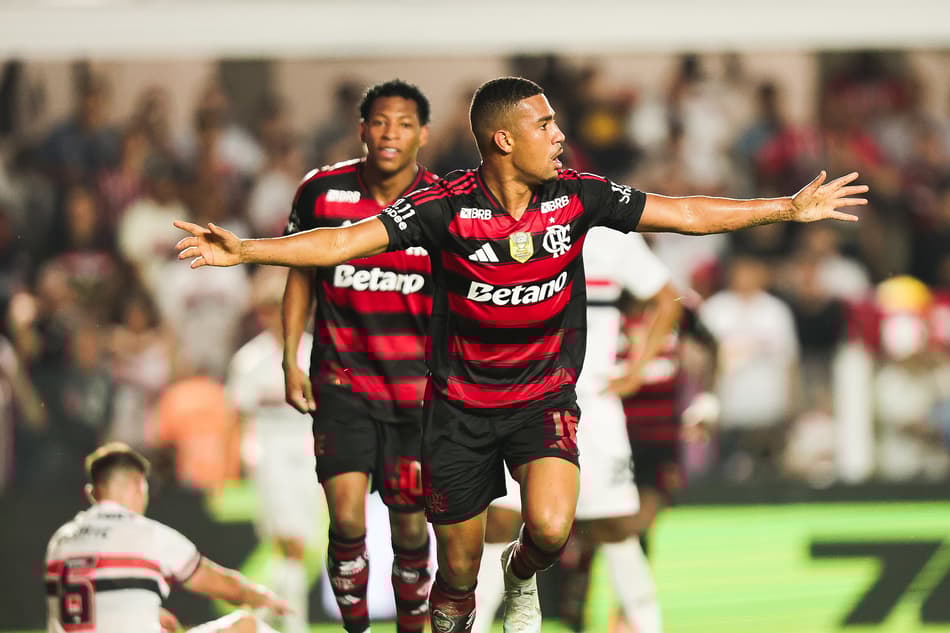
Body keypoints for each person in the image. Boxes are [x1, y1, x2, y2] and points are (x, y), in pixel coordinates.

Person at [174, 76, 868, 633]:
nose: (561, 136)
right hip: (456, 411)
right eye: (545, 125)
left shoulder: (578, 198)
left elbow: (682, 211)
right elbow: (341, 242)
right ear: (503, 139)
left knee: (551, 527)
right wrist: (247, 249)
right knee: (455, 576)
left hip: (542, 400)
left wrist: (784, 208)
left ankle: (525, 574)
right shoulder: (443, 206)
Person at [281, 79, 439, 633]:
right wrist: (289, 357)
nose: (389, 133)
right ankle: (354, 629)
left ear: (423, 133)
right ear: (362, 129)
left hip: (418, 396)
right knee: (346, 520)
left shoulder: (444, 201)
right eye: (379, 121)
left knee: (411, 531)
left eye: (403, 123)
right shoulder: (321, 192)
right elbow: (300, 271)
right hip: (341, 384)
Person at [472, 229, 682, 633]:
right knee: (500, 522)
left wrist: (635, 371)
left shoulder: (610, 237)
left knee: (616, 527)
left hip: (592, 401)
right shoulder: (505, 224)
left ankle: (646, 625)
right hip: (517, 399)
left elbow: (667, 299)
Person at [44, 442, 288, 633]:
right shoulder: (147, 534)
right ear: (138, 486)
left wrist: (151, 615)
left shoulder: (60, 540)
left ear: (91, 492)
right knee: (247, 626)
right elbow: (226, 588)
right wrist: (261, 597)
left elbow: (92, 600)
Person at [227, 268, 319, 633]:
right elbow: (237, 417)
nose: (274, 316)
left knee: (295, 547)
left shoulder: (317, 352)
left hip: (310, 458)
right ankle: (293, 623)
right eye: (266, 309)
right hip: (267, 458)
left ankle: (263, 618)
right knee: (288, 543)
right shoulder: (249, 361)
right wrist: (235, 461)